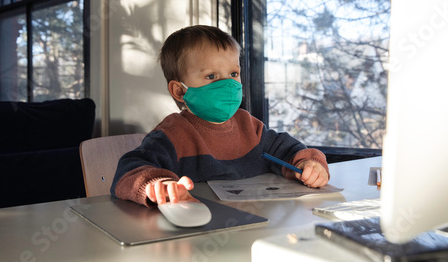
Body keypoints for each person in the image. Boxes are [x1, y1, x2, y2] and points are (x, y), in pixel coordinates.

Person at [110, 25, 329, 207]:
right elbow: (130, 170)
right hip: (195, 234)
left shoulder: (249, 126)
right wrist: (157, 185)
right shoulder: (172, 134)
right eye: (212, 76)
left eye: (233, 74)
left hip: (254, 225)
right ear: (179, 91)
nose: (228, 84)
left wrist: (310, 164)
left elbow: (290, 151)